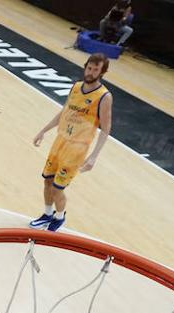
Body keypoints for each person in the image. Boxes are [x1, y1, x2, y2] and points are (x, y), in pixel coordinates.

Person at [29, 53, 114, 232]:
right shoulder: (75, 87)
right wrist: (44, 130)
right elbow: (64, 112)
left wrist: (93, 157)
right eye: (89, 68)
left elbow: (106, 129)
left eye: (95, 70)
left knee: (58, 187)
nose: (90, 72)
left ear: (102, 72)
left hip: (77, 148)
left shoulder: (104, 97)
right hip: (60, 141)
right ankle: (47, 214)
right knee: (47, 181)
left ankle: (59, 218)